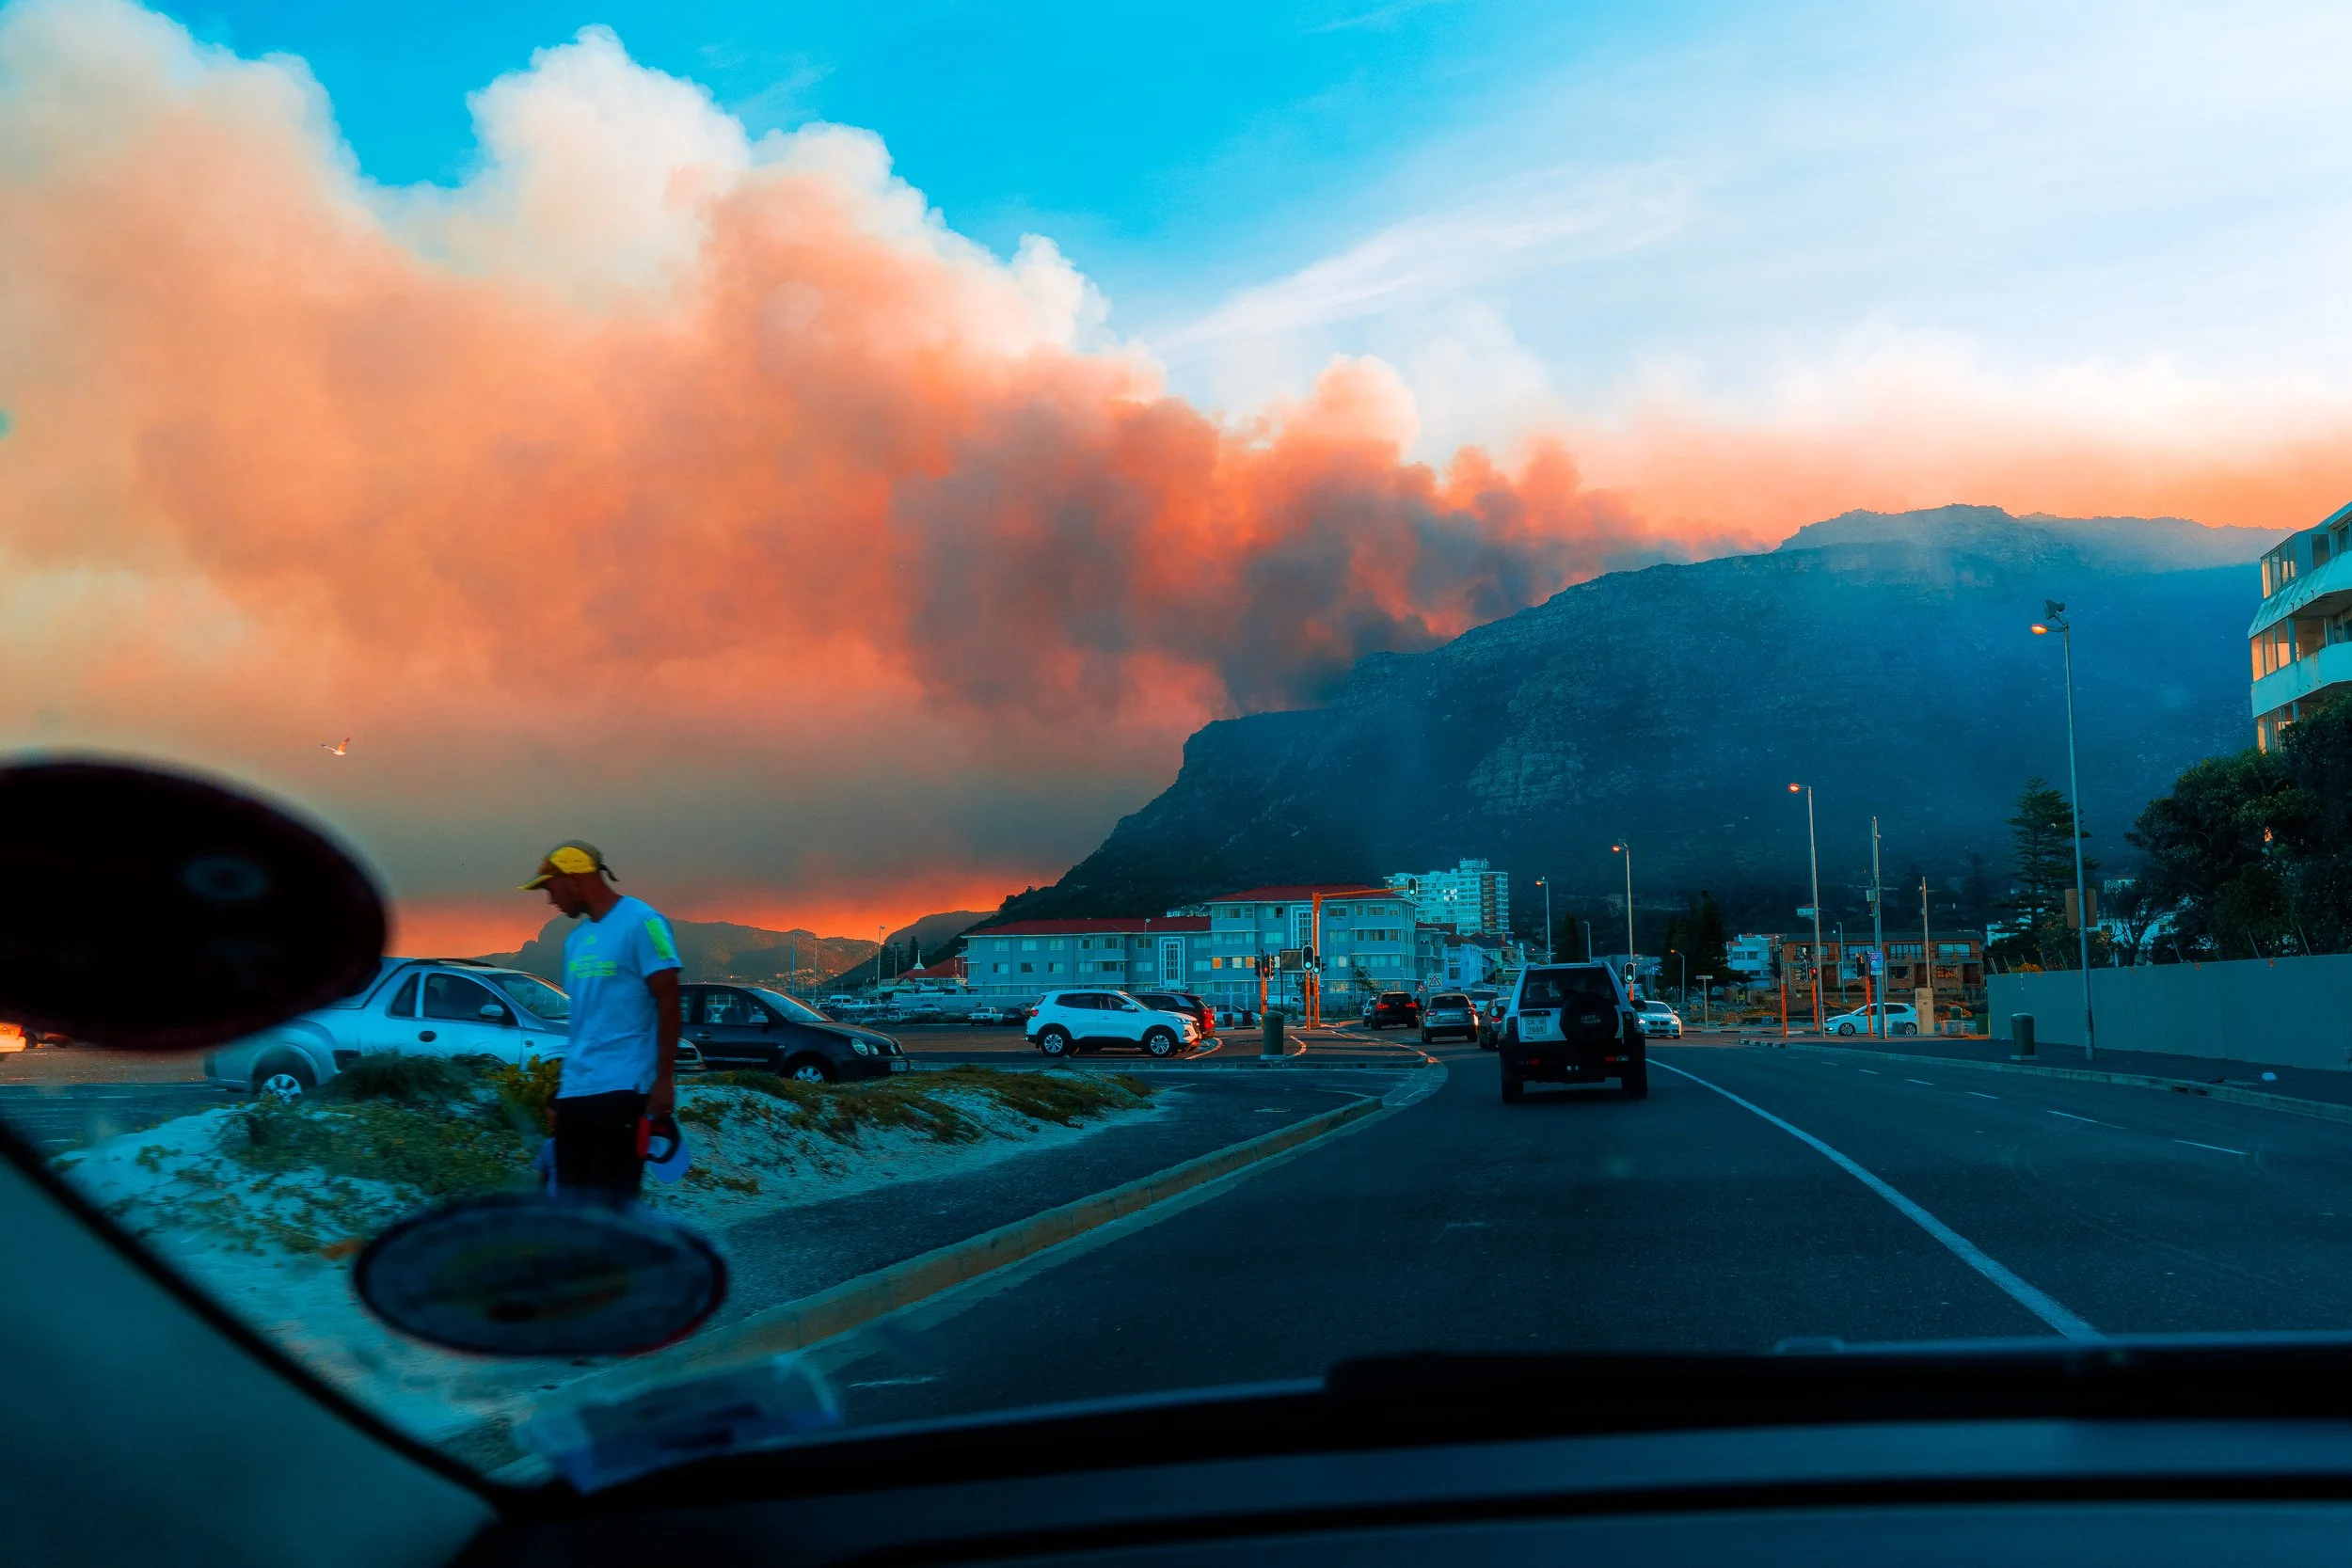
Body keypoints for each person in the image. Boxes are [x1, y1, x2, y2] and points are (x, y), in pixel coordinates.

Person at [520, 840, 682, 1203]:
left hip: (625, 1090)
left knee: (612, 1205)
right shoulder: (575, 941)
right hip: (578, 1093)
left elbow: (669, 1001)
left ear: (576, 879)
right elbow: (585, 1023)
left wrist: (664, 1082)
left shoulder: (644, 923)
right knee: (572, 1205)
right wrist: (560, 1093)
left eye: (550, 886)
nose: (550, 898)